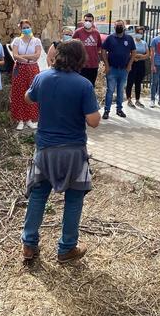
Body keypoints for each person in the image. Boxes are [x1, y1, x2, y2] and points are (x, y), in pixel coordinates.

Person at [21, 40, 101, 264]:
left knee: (38, 195)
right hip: (74, 151)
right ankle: (66, 249)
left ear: (57, 56)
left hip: (45, 149)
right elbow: (93, 121)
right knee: (74, 199)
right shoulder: (84, 85)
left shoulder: (42, 78)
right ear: (80, 60)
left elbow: (29, 98)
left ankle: (29, 245)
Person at [10, 19, 42, 130]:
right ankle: (20, 119)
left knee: (32, 92)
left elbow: (37, 56)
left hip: (32, 68)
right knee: (19, 92)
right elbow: (15, 56)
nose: (26, 29)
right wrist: (29, 56)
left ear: (31, 27)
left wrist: (23, 56)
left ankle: (29, 118)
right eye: (24, 28)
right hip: (20, 68)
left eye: (28, 27)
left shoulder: (36, 41)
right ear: (21, 29)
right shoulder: (17, 41)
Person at [100, 20, 136, 119]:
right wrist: (106, 65)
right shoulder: (110, 38)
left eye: (121, 25)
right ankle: (106, 110)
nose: (119, 27)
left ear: (124, 27)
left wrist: (130, 65)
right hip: (112, 69)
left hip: (124, 70)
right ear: (114, 27)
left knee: (120, 91)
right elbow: (103, 52)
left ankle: (119, 110)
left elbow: (133, 52)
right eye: (117, 25)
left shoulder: (129, 38)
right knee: (110, 90)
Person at [72, 13, 102, 86]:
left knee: (91, 85)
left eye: (90, 20)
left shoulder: (96, 33)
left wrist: (95, 56)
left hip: (93, 65)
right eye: (86, 20)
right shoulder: (78, 32)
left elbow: (99, 47)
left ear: (93, 22)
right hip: (81, 65)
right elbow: (72, 46)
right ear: (83, 21)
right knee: (80, 85)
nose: (88, 22)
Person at [126, 26, 149, 108]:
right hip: (133, 64)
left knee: (138, 83)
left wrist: (139, 56)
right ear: (135, 33)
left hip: (141, 65)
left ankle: (137, 100)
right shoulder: (132, 42)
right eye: (138, 33)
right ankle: (129, 99)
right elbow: (128, 53)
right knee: (130, 82)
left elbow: (147, 55)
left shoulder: (144, 43)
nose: (140, 34)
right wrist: (134, 58)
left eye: (141, 33)